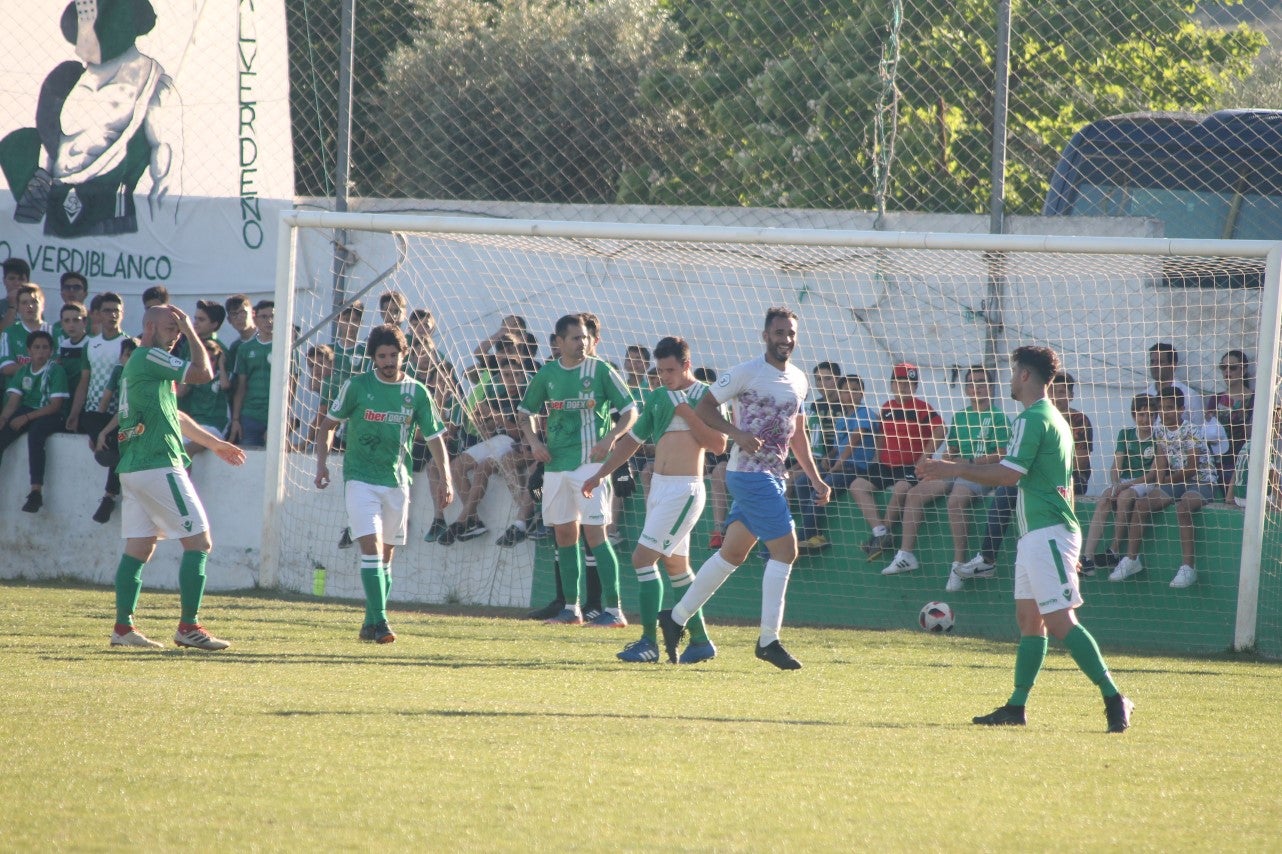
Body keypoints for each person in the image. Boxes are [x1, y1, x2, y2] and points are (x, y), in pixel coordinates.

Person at [918, 345, 1133, 733]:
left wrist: (949, 468)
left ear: (1024, 376)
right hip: (1036, 534)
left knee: (1060, 620)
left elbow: (1008, 475)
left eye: (1013, 371)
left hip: (1048, 532)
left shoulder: (1033, 419)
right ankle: (1016, 707)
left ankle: (1115, 697)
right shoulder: (1050, 418)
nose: (1009, 379)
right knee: (1029, 620)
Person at [658, 307, 830, 670]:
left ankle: (675, 618)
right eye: (779, 332)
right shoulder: (746, 372)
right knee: (786, 552)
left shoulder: (800, 380)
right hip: (749, 474)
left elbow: (798, 434)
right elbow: (703, 405)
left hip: (773, 477)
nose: (785, 339)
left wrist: (814, 478)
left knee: (732, 555)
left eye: (790, 333)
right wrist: (735, 434)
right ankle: (769, 640)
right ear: (765, 336)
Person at [104, 305, 247, 651]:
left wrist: (214, 444)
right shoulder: (150, 356)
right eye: (171, 327)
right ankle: (189, 626)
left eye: (179, 328)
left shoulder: (144, 365)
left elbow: (175, 414)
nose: (177, 333)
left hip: (135, 468)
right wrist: (195, 332)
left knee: (139, 548)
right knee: (199, 542)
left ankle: (123, 630)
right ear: (149, 327)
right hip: (157, 464)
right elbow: (203, 373)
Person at [581, 336, 728, 663]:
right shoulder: (658, 396)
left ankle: (649, 642)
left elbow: (719, 445)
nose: (664, 377)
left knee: (641, 559)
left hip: (685, 490)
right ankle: (701, 641)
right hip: (660, 489)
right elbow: (632, 441)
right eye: (660, 371)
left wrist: (687, 413)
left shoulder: (706, 396)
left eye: (671, 370)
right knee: (676, 566)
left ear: (686, 365)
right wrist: (600, 473)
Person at [315, 324, 454, 643]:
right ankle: (382, 623)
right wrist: (322, 464)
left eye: (394, 355)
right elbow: (327, 426)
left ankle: (369, 622)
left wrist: (446, 478)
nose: (389, 362)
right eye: (382, 356)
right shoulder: (357, 386)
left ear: (404, 354)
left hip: (397, 481)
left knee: (386, 558)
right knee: (372, 549)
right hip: (360, 480)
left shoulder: (417, 392)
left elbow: (435, 439)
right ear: (373, 358)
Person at [517, 313, 637, 627]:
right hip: (556, 466)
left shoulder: (600, 370)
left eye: (584, 337)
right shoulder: (547, 374)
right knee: (565, 536)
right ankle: (571, 609)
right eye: (575, 338)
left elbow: (630, 411)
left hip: (590, 466)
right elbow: (524, 412)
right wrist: (533, 442)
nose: (581, 343)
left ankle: (614, 611)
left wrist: (611, 437)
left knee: (596, 535)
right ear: (558, 342)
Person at [885, 366, 1010, 588]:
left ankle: (958, 566)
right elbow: (951, 449)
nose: (977, 386)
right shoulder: (960, 416)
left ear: (991, 388)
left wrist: (969, 463)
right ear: (966, 388)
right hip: (957, 469)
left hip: (981, 472)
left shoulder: (999, 417)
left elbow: (1002, 454)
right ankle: (906, 555)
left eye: (982, 382)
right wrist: (943, 460)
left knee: (955, 501)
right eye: (971, 382)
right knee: (914, 494)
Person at [1109, 385, 1216, 589]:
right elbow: (1161, 461)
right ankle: (1131, 559)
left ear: (1181, 409)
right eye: (1162, 408)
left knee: (1183, 507)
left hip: (1201, 481)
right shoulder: (1159, 432)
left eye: (1169, 407)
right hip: (1175, 482)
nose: (1165, 413)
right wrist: (1157, 478)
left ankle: (1188, 568)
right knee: (1141, 505)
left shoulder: (1192, 430)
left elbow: (1192, 469)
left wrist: (1164, 480)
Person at [850, 362, 945, 562]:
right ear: (892, 384)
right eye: (899, 382)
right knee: (857, 486)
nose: (903, 387)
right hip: (885, 464)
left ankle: (881, 536)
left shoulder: (922, 408)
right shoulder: (886, 408)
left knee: (901, 489)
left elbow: (941, 430)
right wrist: (876, 457)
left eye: (908, 383)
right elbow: (883, 435)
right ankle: (880, 532)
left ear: (915, 386)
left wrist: (924, 458)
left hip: (910, 467)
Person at [795, 373, 878, 551]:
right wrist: (829, 457)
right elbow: (837, 446)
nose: (851, 394)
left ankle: (806, 535)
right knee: (802, 482)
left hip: (856, 467)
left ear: (862, 393)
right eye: (846, 390)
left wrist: (839, 463)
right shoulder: (841, 419)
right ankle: (816, 533)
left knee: (821, 488)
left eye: (855, 390)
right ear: (839, 394)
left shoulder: (865, 413)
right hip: (839, 464)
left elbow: (854, 440)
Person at [1079, 393, 1157, 576]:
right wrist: (1116, 483)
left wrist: (1126, 486)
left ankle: (1113, 550)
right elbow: (1116, 466)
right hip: (1124, 482)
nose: (1146, 419)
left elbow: (1153, 474)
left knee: (1125, 497)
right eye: (1142, 414)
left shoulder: (1158, 438)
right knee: (1106, 497)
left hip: (1143, 482)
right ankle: (1087, 558)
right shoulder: (1126, 434)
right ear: (1134, 415)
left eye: (1151, 414)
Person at [70, 290, 127, 523]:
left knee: (116, 447)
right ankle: (102, 444)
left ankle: (108, 496)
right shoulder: (90, 345)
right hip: (94, 412)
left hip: (120, 412)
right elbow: (85, 381)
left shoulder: (129, 344)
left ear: (122, 314)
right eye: (107, 310)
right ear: (97, 315)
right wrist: (74, 413)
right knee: (96, 427)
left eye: (116, 311)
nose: (112, 315)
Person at [0, 331, 70, 512]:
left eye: (45, 347)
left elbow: (55, 405)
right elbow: (13, 402)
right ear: (29, 350)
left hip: (51, 414)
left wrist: (27, 417)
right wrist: (3, 418)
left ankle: (36, 491)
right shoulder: (24, 370)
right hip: (28, 411)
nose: (41, 351)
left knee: (36, 434)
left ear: (51, 351)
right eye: (36, 347)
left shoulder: (56, 370)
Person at [229, 300, 275, 447]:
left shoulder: (287, 347)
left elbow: (291, 386)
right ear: (255, 319)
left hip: (275, 415)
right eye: (264, 316)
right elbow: (241, 387)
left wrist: (282, 419)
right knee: (248, 463)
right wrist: (235, 420)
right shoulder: (245, 348)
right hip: (250, 416)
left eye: (273, 316)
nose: (269, 321)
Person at [1208, 350, 1253, 486]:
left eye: (1232, 367)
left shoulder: (1254, 399)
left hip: (1243, 466)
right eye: (1224, 367)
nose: (1227, 371)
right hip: (1217, 465)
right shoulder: (1215, 399)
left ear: (1243, 370)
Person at [0, 283, 51, 379]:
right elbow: (6, 368)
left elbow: (57, 365)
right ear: (18, 308)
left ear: (43, 305)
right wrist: (40, 368)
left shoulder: (55, 333)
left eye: (34, 301)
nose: (30, 306)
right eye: (24, 303)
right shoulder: (9, 333)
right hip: (15, 391)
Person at [50, 272, 90, 341]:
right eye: (67, 287)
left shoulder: (96, 323)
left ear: (85, 294)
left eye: (77, 287)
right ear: (62, 294)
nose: (71, 290)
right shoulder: (56, 328)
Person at [0, 257, 31, 329]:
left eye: (21, 279)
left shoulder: (34, 307)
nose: (16, 283)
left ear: (27, 282)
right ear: (4, 281)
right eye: (12, 278)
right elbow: (3, 335)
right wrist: (12, 306)